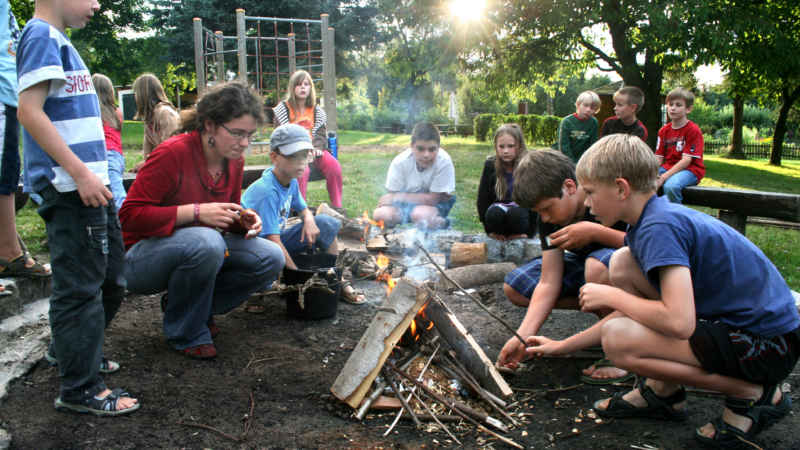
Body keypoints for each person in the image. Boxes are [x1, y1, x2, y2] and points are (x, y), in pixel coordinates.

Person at [571, 134, 799, 448]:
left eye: (591, 192)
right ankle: (663, 392)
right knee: (622, 262)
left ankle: (754, 396)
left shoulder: (659, 227)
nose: (586, 203)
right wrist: (560, 346)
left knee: (618, 339)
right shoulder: (652, 218)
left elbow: (679, 323)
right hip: (755, 334)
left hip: (767, 346)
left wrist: (611, 296)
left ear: (621, 188)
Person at [16, 0, 138, 415]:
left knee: (112, 278)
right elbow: (30, 113)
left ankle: (70, 351)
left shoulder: (60, 40)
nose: (97, 4)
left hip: (91, 186)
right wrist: (80, 173)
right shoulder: (40, 36)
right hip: (71, 189)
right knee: (81, 289)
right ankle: (80, 388)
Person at [120, 82, 284, 359]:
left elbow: (224, 213)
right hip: (140, 260)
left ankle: (188, 307)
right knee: (207, 241)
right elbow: (129, 217)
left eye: (250, 135)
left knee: (271, 257)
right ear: (209, 125)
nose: (244, 143)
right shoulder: (172, 154)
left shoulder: (234, 161)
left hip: (200, 247)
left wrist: (242, 219)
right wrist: (195, 212)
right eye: (237, 133)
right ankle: (186, 332)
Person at [496, 149, 630, 385]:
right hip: (588, 271)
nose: (545, 218)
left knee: (595, 268)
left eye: (547, 208)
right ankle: (604, 319)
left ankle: (620, 346)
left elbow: (646, 243)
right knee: (514, 286)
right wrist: (523, 336)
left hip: (627, 270)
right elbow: (549, 280)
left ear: (569, 187)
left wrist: (596, 232)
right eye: (539, 213)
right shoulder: (549, 220)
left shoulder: (602, 198)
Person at [241, 124, 365, 305]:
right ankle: (273, 286)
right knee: (272, 265)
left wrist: (308, 219)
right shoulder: (267, 191)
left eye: (304, 155)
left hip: (275, 240)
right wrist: (299, 277)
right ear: (274, 157)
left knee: (325, 223)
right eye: (293, 157)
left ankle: (336, 277)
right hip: (255, 251)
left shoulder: (290, 181)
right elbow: (271, 240)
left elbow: (303, 208)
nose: (300, 162)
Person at [0, 2, 51, 287]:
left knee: (7, 172)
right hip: (3, 89)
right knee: (3, 174)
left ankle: (8, 249)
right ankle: (8, 253)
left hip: (8, 90)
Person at [273, 70, 343, 211]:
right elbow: (280, 135)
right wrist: (300, 152)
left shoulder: (317, 111)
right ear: (292, 88)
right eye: (299, 85)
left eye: (306, 84)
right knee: (301, 171)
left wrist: (317, 148)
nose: (303, 87)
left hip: (314, 151)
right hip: (292, 153)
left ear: (311, 88)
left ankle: (337, 206)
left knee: (334, 166)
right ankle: (299, 209)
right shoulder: (283, 109)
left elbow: (320, 134)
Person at [373, 122, 455, 230]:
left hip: (435, 205)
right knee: (381, 215)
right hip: (406, 204)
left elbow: (432, 200)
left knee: (421, 216)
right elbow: (392, 193)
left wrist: (396, 197)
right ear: (411, 146)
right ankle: (392, 239)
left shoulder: (444, 161)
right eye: (420, 149)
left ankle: (443, 223)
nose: (426, 155)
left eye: (432, 149)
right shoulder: (400, 162)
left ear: (438, 147)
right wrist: (395, 198)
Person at [476, 124, 537, 240]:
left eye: (511, 146)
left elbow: (536, 200)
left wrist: (530, 233)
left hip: (521, 213)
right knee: (494, 214)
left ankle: (517, 235)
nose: (506, 151)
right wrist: (489, 231)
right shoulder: (490, 165)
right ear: (496, 146)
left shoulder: (529, 165)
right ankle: (500, 234)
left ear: (519, 145)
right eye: (501, 147)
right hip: (499, 209)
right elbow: (482, 199)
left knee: (516, 214)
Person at [655, 87, 704, 204]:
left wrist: (663, 177)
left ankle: (677, 219)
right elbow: (658, 158)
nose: (673, 108)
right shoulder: (663, 131)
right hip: (668, 167)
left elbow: (686, 161)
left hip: (690, 170)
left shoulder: (693, 130)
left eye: (678, 105)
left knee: (671, 186)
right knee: (644, 184)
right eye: (670, 104)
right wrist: (650, 173)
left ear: (688, 109)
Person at [130, 73, 179, 172]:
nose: (135, 98)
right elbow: (148, 154)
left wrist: (147, 163)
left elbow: (172, 149)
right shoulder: (150, 119)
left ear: (143, 94)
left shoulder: (165, 113)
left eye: (136, 93)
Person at [92, 73, 126, 210]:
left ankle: (126, 215)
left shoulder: (93, 112)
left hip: (103, 155)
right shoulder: (116, 112)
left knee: (117, 193)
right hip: (117, 156)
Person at [557, 90, 600, 163]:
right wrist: (572, 164)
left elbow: (593, 145)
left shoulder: (594, 122)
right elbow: (564, 147)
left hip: (585, 161)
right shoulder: (567, 122)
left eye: (592, 108)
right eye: (585, 105)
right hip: (566, 160)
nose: (588, 110)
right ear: (578, 104)